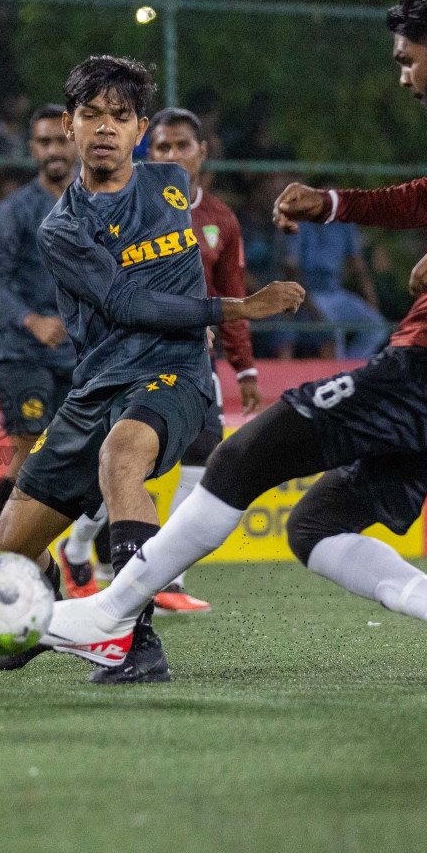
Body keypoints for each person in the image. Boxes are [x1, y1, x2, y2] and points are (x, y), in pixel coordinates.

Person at [46, 0, 427, 692]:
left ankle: (112, 614)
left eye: (407, 61)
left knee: (243, 457)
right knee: (315, 526)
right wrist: (331, 202)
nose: (403, 77)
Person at [0, 56, 303, 684]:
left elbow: (221, 227)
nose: (105, 127)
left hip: (175, 371)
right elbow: (125, 303)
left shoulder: (170, 183)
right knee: (8, 553)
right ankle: (42, 621)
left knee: (121, 457)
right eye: (91, 115)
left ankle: (133, 640)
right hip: (96, 386)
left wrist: (294, 208)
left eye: (120, 116)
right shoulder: (63, 228)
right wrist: (240, 306)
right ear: (71, 125)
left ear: (140, 129)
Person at [142, 105, 277, 614]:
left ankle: (167, 578)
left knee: (204, 462)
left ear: (202, 152)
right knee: (126, 461)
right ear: (148, 154)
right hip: (137, 356)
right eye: (162, 147)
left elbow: (233, 298)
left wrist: (244, 369)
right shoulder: (130, 207)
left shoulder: (220, 219)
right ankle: (86, 554)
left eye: (182, 146)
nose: (172, 155)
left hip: (198, 362)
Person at [0, 104, 85, 582]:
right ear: (32, 149)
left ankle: (18, 557)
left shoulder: (97, 205)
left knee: (71, 455)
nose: (53, 150)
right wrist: (32, 320)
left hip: (79, 356)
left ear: (75, 143)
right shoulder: (14, 211)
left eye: (60, 140)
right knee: (28, 452)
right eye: (43, 143)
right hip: (21, 354)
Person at [282, 219, 389, 359]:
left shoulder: (344, 223)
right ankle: (338, 375)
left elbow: (357, 264)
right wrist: (308, 304)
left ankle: (353, 369)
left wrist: (371, 299)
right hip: (310, 294)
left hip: (336, 292)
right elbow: (291, 267)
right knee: (332, 329)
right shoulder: (298, 223)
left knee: (377, 325)